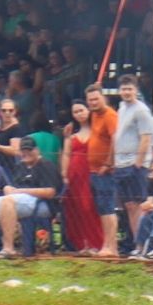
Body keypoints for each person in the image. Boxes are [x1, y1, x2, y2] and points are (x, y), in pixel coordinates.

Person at [0, 136, 60, 256]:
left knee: (8, 203)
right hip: (19, 201)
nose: (26, 153)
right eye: (23, 151)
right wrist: (8, 189)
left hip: (43, 204)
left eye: (29, 150)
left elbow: (50, 192)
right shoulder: (20, 166)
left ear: (37, 150)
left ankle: (8, 248)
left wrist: (22, 191)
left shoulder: (46, 165)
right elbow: (13, 186)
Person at [112, 74, 153, 254]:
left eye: (130, 89)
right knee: (129, 206)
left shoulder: (142, 110)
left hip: (134, 164)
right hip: (120, 164)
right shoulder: (121, 108)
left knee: (137, 205)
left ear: (136, 90)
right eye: (123, 89)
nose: (126, 92)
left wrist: (138, 164)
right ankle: (136, 244)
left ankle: (142, 245)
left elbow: (146, 138)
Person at [60, 97, 102, 255]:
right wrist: (64, 174)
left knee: (89, 207)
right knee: (76, 208)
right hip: (74, 175)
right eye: (75, 112)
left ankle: (95, 242)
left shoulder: (97, 131)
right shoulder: (71, 135)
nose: (79, 114)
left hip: (91, 173)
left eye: (81, 110)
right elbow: (66, 155)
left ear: (88, 110)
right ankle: (82, 244)